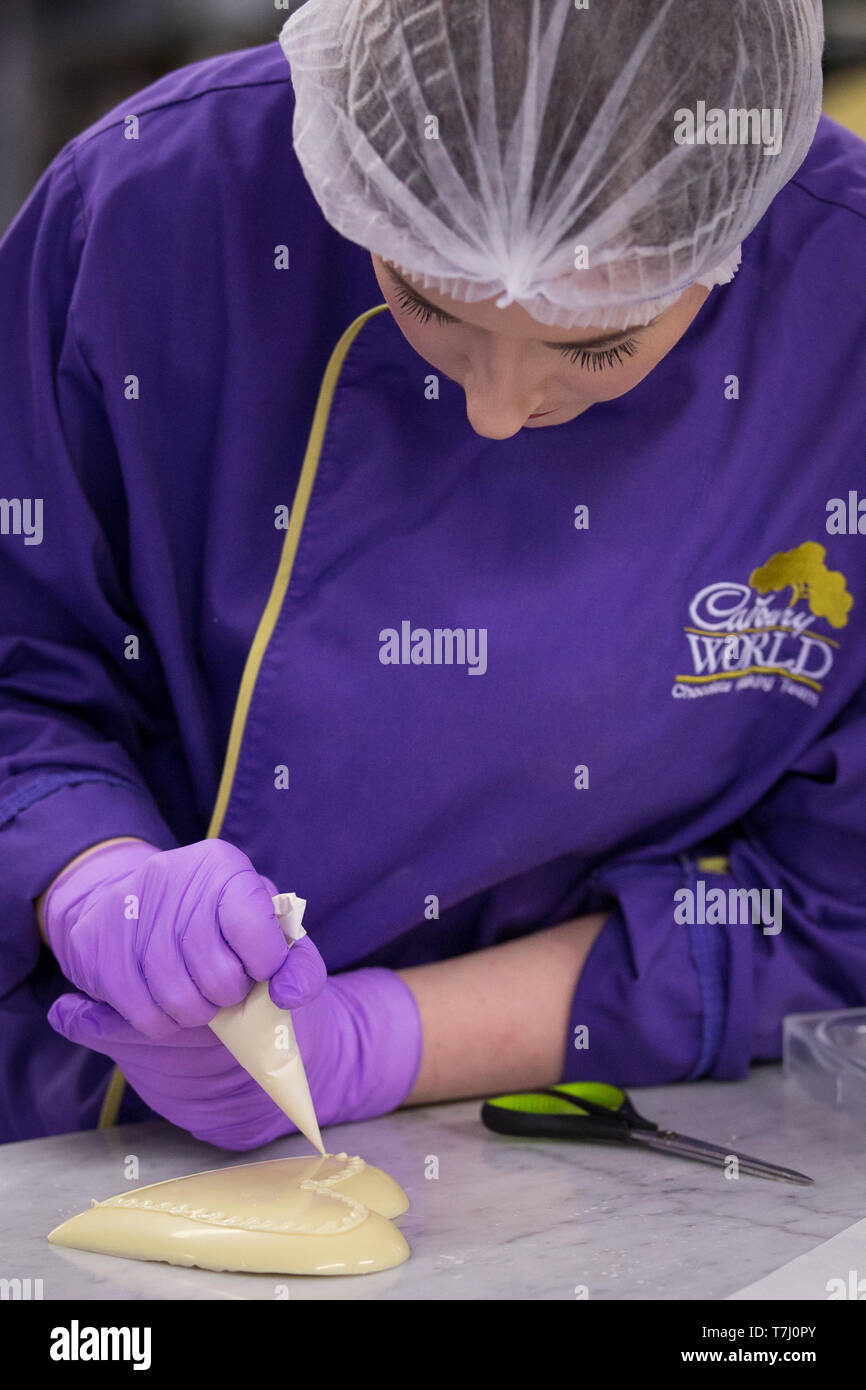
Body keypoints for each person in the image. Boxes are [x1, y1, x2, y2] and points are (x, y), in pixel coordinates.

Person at [1, 0, 864, 1148]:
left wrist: (374, 1040)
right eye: (423, 300)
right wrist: (86, 868)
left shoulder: (838, 308)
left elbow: (829, 893)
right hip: (69, 1134)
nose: (497, 410)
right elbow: (20, 661)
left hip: (582, 1154)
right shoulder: (153, 207)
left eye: (597, 344)